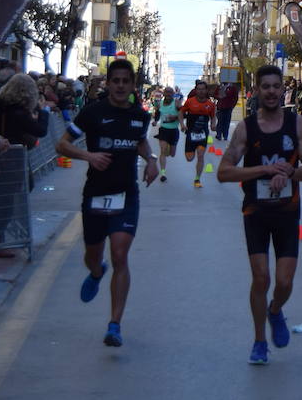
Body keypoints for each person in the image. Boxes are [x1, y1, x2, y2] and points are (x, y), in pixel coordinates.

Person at [216, 64, 302, 365]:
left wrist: (290, 173)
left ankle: (275, 311)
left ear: (282, 90)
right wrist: (264, 170)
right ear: (257, 91)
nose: (272, 92)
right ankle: (259, 341)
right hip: (256, 211)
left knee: (284, 282)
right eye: (266, 87)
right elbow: (223, 173)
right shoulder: (246, 128)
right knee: (261, 278)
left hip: (287, 213)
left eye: (276, 86)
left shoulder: (295, 123)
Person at [54, 59, 159, 348]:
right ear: (108, 83)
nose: (121, 86)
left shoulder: (140, 116)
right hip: (96, 193)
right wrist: (90, 157)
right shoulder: (92, 113)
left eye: (126, 81)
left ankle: (115, 324)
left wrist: (150, 161)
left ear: (132, 85)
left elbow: (139, 142)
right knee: (92, 254)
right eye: (116, 81)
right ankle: (96, 271)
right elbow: (61, 145)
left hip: (127, 195)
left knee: (121, 255)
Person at [181, 80, 217, 187]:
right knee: (189, 158)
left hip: (203, 134)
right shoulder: (190, 102)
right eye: (199, 89)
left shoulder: (210, 104)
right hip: (190, 133)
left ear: (206, 91)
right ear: (196, 90)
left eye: (203, 89)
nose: (201, 91)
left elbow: (213, 116)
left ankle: (197, 179)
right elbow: (181, 112)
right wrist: (182, 124)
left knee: (200, 156)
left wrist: (213, 125)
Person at [151, 86, 181, 182]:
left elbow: (184, 114)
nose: (168, 94)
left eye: (170, 92)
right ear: (164, 94)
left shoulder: (176, 103)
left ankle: (170, 148)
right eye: (166, 92)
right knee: (162, 151)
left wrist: (175, 117)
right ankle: (163, 173)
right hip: (163, 130)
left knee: (172, 154)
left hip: (174, 131)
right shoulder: (160, 104)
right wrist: (155, 121)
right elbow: (157, 114)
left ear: (173, 94)